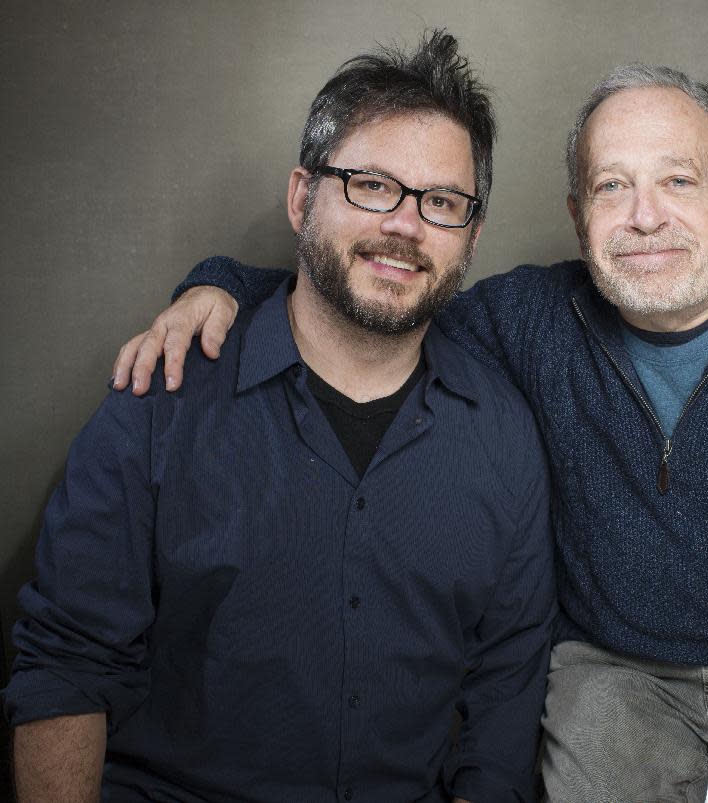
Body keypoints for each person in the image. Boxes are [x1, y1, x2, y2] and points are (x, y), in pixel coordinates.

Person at [114, 62, 708, 802]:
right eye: (612, 187)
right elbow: (375, 295)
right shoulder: (527, 318)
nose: (645, 217)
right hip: (617, 672)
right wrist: (220, 284)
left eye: (678, 180)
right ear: (578, 217)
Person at [3, 31, 557, 803]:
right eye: (370, 184)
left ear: (470, 234)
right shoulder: (161, 394)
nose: (404, 223)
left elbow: (504, 693)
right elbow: (67, 663)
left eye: (441, 202)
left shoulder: (502, 432)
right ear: (303, 197)